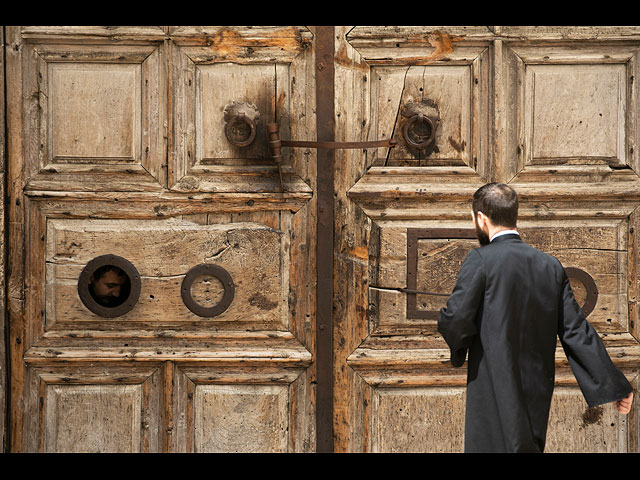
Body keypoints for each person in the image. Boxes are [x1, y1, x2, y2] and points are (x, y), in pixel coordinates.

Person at [437, 182, 634, 453]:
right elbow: (576, 330)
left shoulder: (480, 260)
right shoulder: (549, 266)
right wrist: (615, 384)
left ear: (481, 219)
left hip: (492, 381)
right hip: (536, 387)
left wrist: (457, 344)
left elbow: (456, 319)